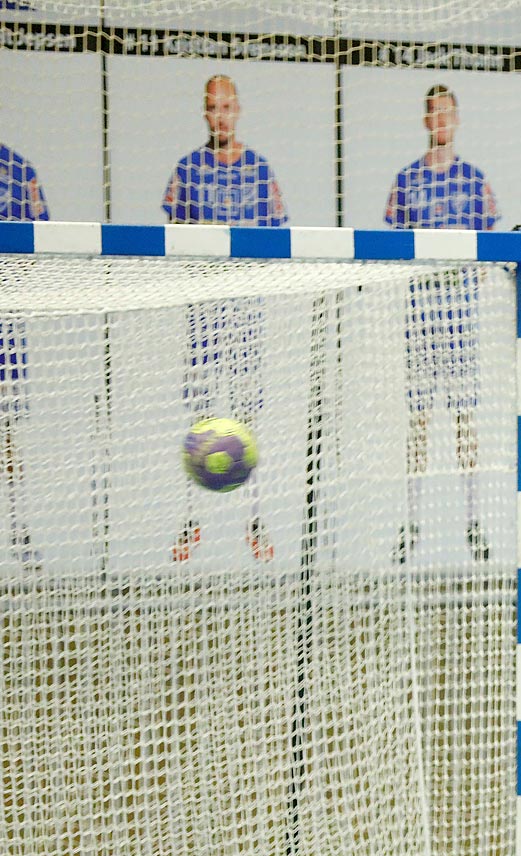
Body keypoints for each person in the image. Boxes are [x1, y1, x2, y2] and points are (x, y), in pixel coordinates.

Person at [164, 74, 288, 564]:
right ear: (204, 113)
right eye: (211, 107)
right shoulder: (188, 170)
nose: (220, 115)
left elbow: (280, 236)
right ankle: (191, 518)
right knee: (199, 414)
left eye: (227, 106)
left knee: (246, 415)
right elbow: (172, 233)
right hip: (202, 308)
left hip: (244, 309)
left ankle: (254, 521)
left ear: (239, 110)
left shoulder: (259, 171)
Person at [384, 84, 502, 564]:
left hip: (460, 316)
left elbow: (493, 241)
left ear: (457, 119)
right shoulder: (406, 181)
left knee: (464, 419)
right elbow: (391, 244)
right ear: (425, 120)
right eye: (433, 113)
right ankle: (410, 521)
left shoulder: (475, 181)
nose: (441, 122)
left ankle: (474, 519)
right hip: (421, 313)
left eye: (448, 113)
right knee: (418, 421)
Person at [1, 140, 50, 570]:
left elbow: (40, 245)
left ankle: (18, 527)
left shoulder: (18, 170)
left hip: (5, 321)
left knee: (7, 429)